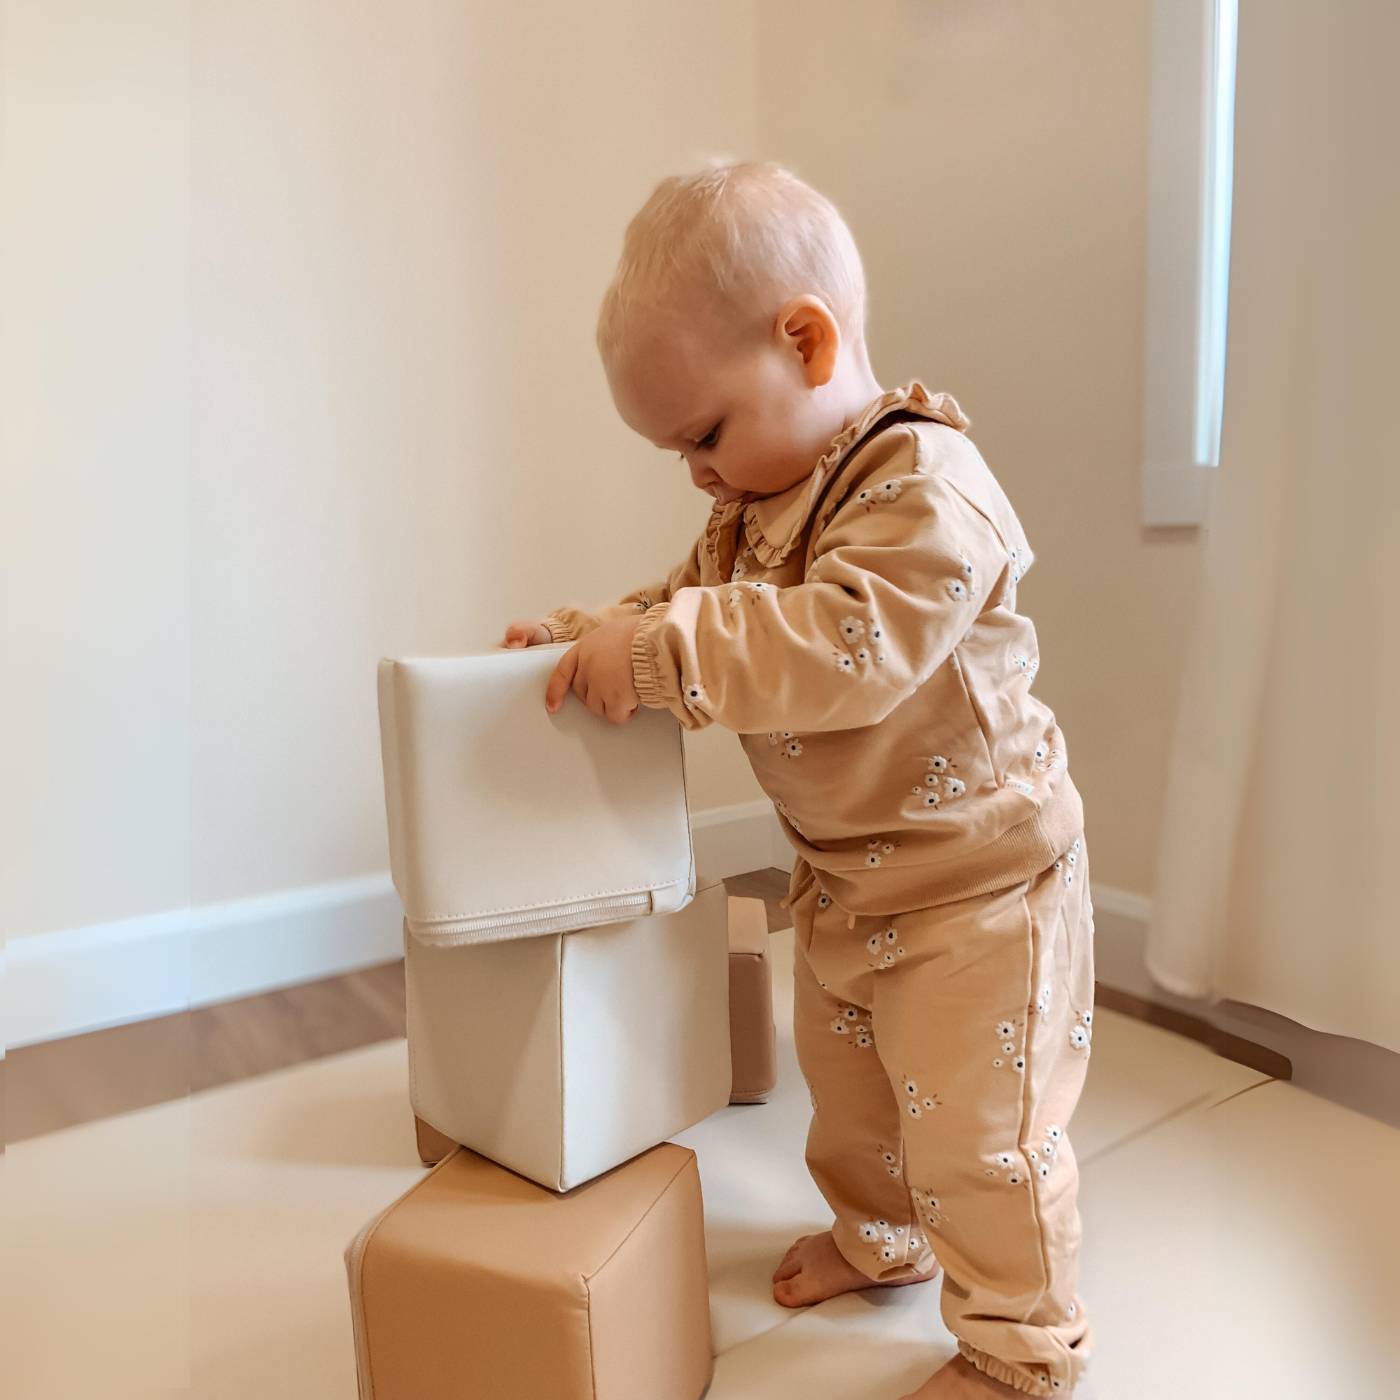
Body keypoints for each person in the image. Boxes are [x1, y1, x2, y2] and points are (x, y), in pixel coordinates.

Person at [502, 159, 1096, 1399]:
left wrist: (660, 658)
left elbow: (847, 646)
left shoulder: (924, 484)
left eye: (704, 433)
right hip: (843, 877)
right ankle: (881, 1238)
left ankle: (1020, 1345)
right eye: (678, 453)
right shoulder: (751, 506)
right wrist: (591, 631)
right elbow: (684, 603)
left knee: (977, 1135)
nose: (699, 475)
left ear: (807, 341)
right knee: (853, 1094)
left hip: (982, 887)